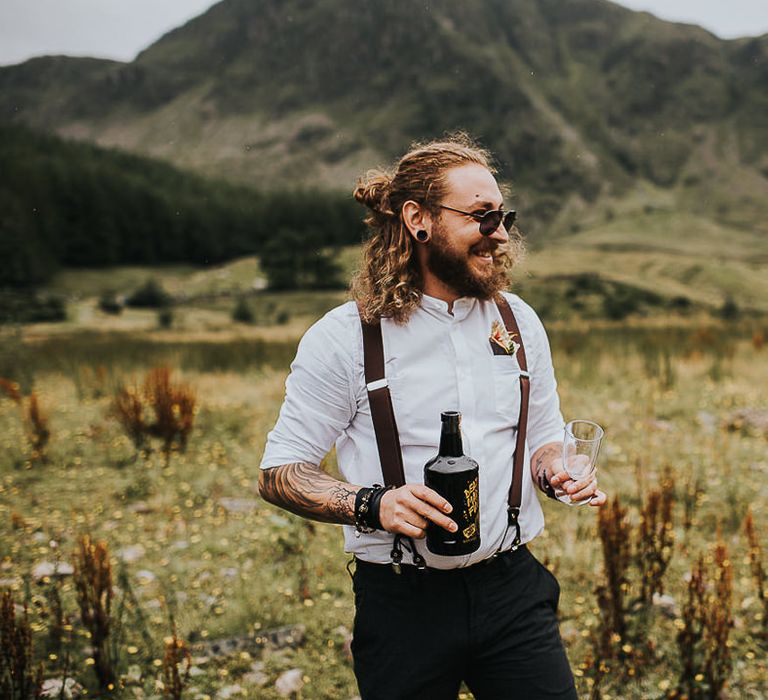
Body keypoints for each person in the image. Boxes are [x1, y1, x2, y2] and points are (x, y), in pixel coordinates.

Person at [259, 134, 606, 699]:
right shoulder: (345, 338)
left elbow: (543, 436)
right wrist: (373, 504)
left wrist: (556, 469)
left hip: (513, 589)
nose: (500, 232)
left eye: (503, 216)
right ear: (418, 220)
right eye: (481, 216)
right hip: (403, 603)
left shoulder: (518, 322)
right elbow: (279, 472)